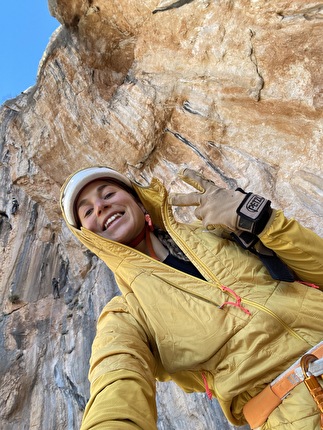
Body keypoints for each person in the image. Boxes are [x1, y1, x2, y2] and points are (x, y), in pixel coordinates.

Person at [60, 165, 323, 430]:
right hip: (298, 411)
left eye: (107, 194)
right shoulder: (128, 314)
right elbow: (116, 378)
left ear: (139, 202)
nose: (100, 207)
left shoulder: (221, 229)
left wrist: (260, 218)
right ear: (91, 240)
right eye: (87, 210)